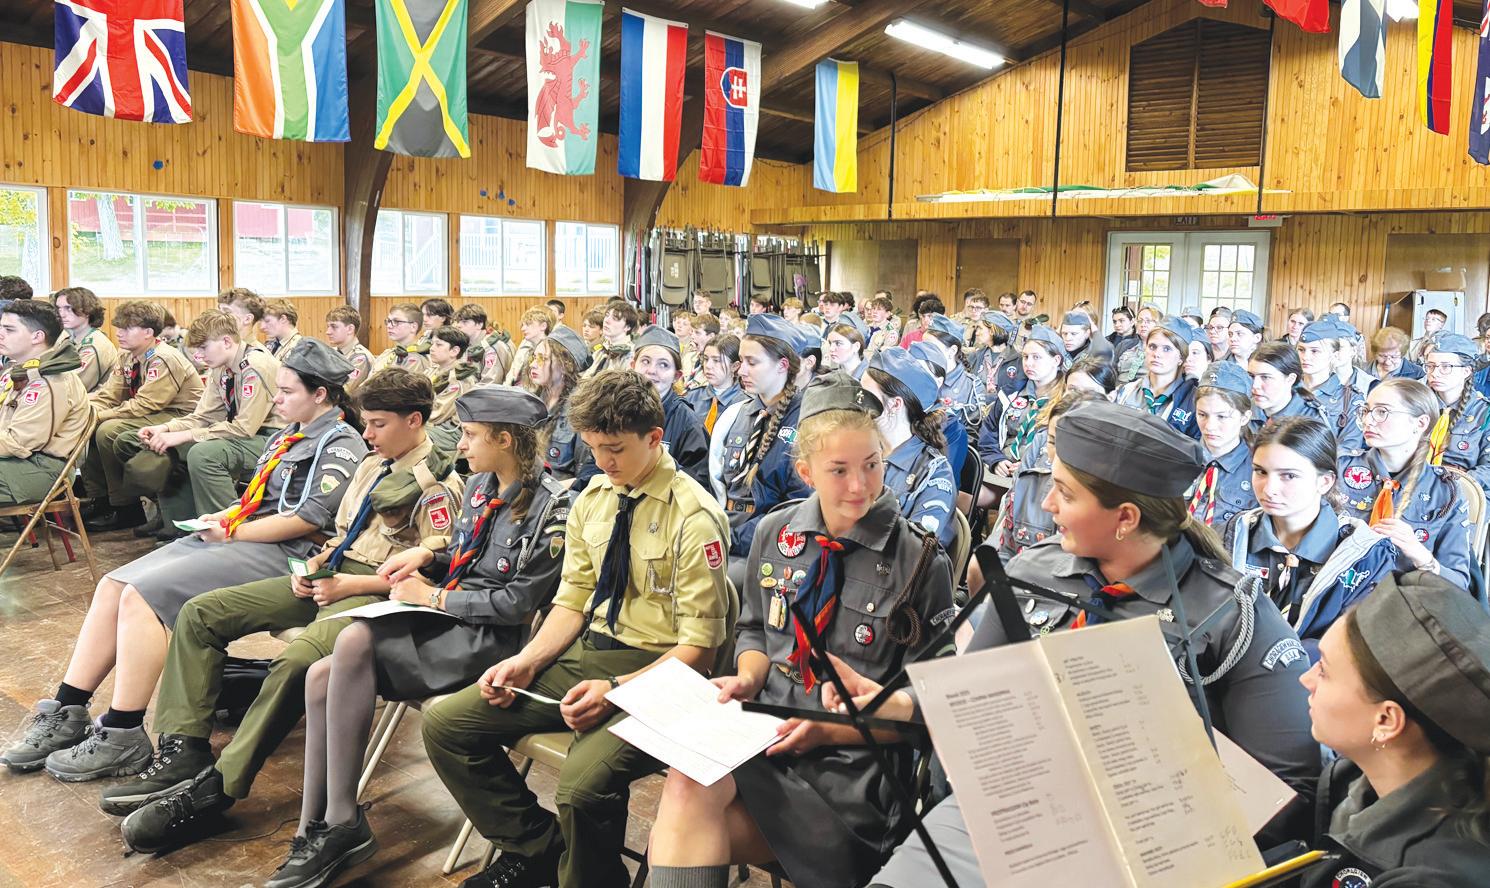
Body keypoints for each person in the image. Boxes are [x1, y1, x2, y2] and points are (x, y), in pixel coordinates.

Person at [850, 401, 1321, 887]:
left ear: (1125, 518)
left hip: (1142, 852)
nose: (1047, 505)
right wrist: (897, 703)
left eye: (1065, 493)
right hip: (1008, 815)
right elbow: (975, 697)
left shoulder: (1231, 616)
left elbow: (1289, 795)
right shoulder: (1035, 570)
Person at [100, 370, 460, 844]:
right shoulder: (374, 464)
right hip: (334, 575)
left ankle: (219, 787)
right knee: (202, 614)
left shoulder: (436, 484)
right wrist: (313, 566)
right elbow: (342, 534)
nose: (367, 434)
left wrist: (351, 584)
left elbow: (432, 574)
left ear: (414, 420)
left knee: (297, 660)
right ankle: (184, 747)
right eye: (367, 422)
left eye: (378, 424)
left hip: (379, 594)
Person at [242, 387, 571, 884]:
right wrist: (428, 556)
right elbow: (466, 556)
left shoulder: (552, 509)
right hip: (447, 619)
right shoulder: (480, 484)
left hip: (488, 640)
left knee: (352, 641)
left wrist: (432, 597)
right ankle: (318, 822)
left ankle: (341, 822)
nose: (461, 444)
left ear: (505, 440)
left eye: (471, 435)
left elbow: (515, 605)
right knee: (319, 675)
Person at [421, 370, 731, 888]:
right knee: (446, 725)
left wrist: (615, 690)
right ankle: (542, 850)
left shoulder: (693, 516)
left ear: (654, 438)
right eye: (593, 448)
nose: (603, 462)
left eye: (615, 449)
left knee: (582, 789)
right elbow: (571, 601)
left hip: (661, 675)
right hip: (589, 656)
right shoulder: (594, 499)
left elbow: (699, 650)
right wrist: (527, 660)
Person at [4, 340, 367, 780]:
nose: (276, 398)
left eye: (287, 391)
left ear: (321, 394)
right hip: (248, 538)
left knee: (143, 596)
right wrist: (225, 516)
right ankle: (68, 707)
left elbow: (307, 519)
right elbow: (257, 499)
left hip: (290, 555)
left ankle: (122, 731)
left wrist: (232, 531)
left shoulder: (340, 442)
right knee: (114, 584)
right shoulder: (287, 435)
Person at [645, 373, 954, 888]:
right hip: (767, 737)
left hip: (852, 771)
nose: (859, 485)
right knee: (686, 784)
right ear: (806, 472)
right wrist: (748, 677)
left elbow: (933, 702)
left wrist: (831, 729)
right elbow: (754, 630)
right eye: (839, 470)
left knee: (677, 827)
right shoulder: (776, 532)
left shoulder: (918, 560)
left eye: (872, 464)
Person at [1293, 572, 1490, 887]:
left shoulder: (1433, 878)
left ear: (1386, 721)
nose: (1306, 679)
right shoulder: (1351, 781)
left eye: (1324, 671)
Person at [1224, 417, 1396, 657]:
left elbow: (1355, 650)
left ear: (1324, 482)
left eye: (1289, 476)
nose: (1269, 489)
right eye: (1260, 471)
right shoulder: (1233, 535)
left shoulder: (1366, 558)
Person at [128, 309, 282, 532]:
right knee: (167, 445)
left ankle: (227, 529)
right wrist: (166, 428)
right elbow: (205, 416)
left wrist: (187, 435)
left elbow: (244, 428)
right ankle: (181, 527)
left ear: (226, 341)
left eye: (204, 347)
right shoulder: (221, 367)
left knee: (204, 454)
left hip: (274, 440)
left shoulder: (255, 365)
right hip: (244, 436)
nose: (199, 356)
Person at [1337, 378, 1473, 589]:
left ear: (1420, 423)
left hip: (1401, 600)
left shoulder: (1445, 492)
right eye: (1366, 411)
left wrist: (1419, 554)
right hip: (1336, 592)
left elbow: (1458, 583)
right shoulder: (1340, 469)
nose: (1368, 420)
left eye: (1382, 412)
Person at [82, 300, 204, 531]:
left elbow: (146, 404)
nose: (119, 333)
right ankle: (102, 499)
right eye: (119, 327)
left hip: (180, 415)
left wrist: (100, 416)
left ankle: (125, 507)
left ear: (148, 332)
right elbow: (110, 394)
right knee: (89, 424)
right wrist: (87, 410)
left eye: (127, 328)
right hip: (154, 412)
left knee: (108, 431)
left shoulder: (163, 357)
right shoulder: (126, 355)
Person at [717, 315, 814, 577]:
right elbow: (718, 485)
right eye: (741, 361)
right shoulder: (741, 413)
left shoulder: (806, 421)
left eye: (752, 362)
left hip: (766, 546)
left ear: (782, 365)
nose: (741, 371)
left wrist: (731, 538)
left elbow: (798, 508)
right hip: (727, 532)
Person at [575, 325, 709, 490]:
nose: (652, 370)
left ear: (676, 375)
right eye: (645, 361)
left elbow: (695, 484)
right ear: (633, 365)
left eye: (663, 365)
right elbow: (592, 468)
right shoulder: (613, 407)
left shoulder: (688, 423)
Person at [993, 388, 1102, 564]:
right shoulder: (1027, 485)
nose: (1059, 453)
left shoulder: (1106, 505)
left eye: (1071, 443)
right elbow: (1006, 552)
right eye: (1052, 441)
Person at [861, 349, 956, 548]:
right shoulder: (859, 449)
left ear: (895, 404)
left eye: (867, 397)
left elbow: (914, 551)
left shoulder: (934, 473)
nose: (857, 402)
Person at [0, 299, 90, 506]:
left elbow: (19, 442)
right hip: (15, 461)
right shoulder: (18, 370)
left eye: (9, 330)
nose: (1, 334)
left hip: (40, 469)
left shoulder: (48, 381)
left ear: (37, 337)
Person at [978, 324, 1067, 481]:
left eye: (1036, 357)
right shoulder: (1010, 393)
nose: (1028, 363)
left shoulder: (1067, 400)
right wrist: (996, 460)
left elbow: (1067, 449)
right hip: (1002, 471)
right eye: (1025, 357)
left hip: (1042, 477)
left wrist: (1030, 465)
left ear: (1056, 360)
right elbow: (989, 432)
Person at [1187, 361, 1258, 528]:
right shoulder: (1180, 456)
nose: (1209, 426)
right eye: (1202, 415)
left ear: (1245, 417)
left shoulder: (1257, 470)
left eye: (1222, 416)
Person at [1421, 333, 1490, 493]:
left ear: (1466, 371)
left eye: (1446, 367)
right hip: (1417, 487)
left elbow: (1487, 469)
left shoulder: (1484, 413)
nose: (1435, 373)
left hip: (1464, 492)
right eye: (1430, 366)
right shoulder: (1417, 406)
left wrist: (1448, 484)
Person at [1114, 316, 1200, 438]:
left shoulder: (1194, 401)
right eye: (1152, 346)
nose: (1157, 354)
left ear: (1181, 357)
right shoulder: (1125, 392)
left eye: (1167, 349)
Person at [526, 326, 590, 480]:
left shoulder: (581, 409)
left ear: (565, 365)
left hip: (561, 491)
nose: (533, 364)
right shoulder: (532, 401)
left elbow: (585, 476)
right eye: (534, 357)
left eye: (542, 358)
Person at [1298, 317, 1367, 451]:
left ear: (1334, 356)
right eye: (1301, 349)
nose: (1305, 357)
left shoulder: (1350, 399)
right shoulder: (1285, 390)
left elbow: (1349, 449)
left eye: (1315, 351)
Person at [1249, 341, 1326, 432]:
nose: (1255, 385)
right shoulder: (1244, 409)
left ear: (1290, 379)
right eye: (1252, 376)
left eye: (1265, 377)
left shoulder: (1312, 422)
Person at [53, 286, 117, 393]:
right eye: (59, 308)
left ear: (87, 311)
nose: (61, 314)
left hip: (91, 400)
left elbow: (73, 387)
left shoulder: (94, 345)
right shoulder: (71, 338)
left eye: (68, 308)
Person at [427, 325, 479, 451]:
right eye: (432, 344)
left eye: (438, 345)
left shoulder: (460, 379)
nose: (432, 348)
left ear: (454, 351)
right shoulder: (433, 370)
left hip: (450, 431)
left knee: (409, 437)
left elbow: (437, 415)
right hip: (432, 424)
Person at [684, 334, 746, 437]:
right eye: (706, 359)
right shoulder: (691, 398)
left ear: (735, 366)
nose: (708, 366)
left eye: (716, 360)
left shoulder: (745, 404)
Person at [455, 304, 514, 385]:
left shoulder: (493, 347)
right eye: (458, 321)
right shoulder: (467, 344)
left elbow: (490, 385)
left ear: (479, 324)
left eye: (465, 322)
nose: (458, 325)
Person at [324, 306, 375, 394]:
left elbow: (345, 391)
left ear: (350, 329)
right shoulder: (332, 352)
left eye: (334, 327)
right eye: (328, 326)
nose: (328, 332)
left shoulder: (360, 358)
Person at [372, 303, 432, 377]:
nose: (389, 326)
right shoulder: (387, 353)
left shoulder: (416, 359)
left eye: (396, 322)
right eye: (389, 321)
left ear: (413, 327)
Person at [504, 306, 556, 386]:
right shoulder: (526, 346)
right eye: (523, 325)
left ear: (543, 326)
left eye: (528, 324)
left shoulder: (548, 351)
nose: (522, 329)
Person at [586, 300, 639, 377]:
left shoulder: (630, 355)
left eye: (615, 318)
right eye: (607, 315)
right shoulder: (601, 350)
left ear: (627, 327)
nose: (606, 321)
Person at [1115, 303, 1161, 384]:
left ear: (1158, 324)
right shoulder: (1124, 345)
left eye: (1148, 321)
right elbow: (1111, 370)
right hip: (1118, 386)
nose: (1143, 324)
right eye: (1140, 321)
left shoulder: (1162, 350)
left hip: (1144, 388)